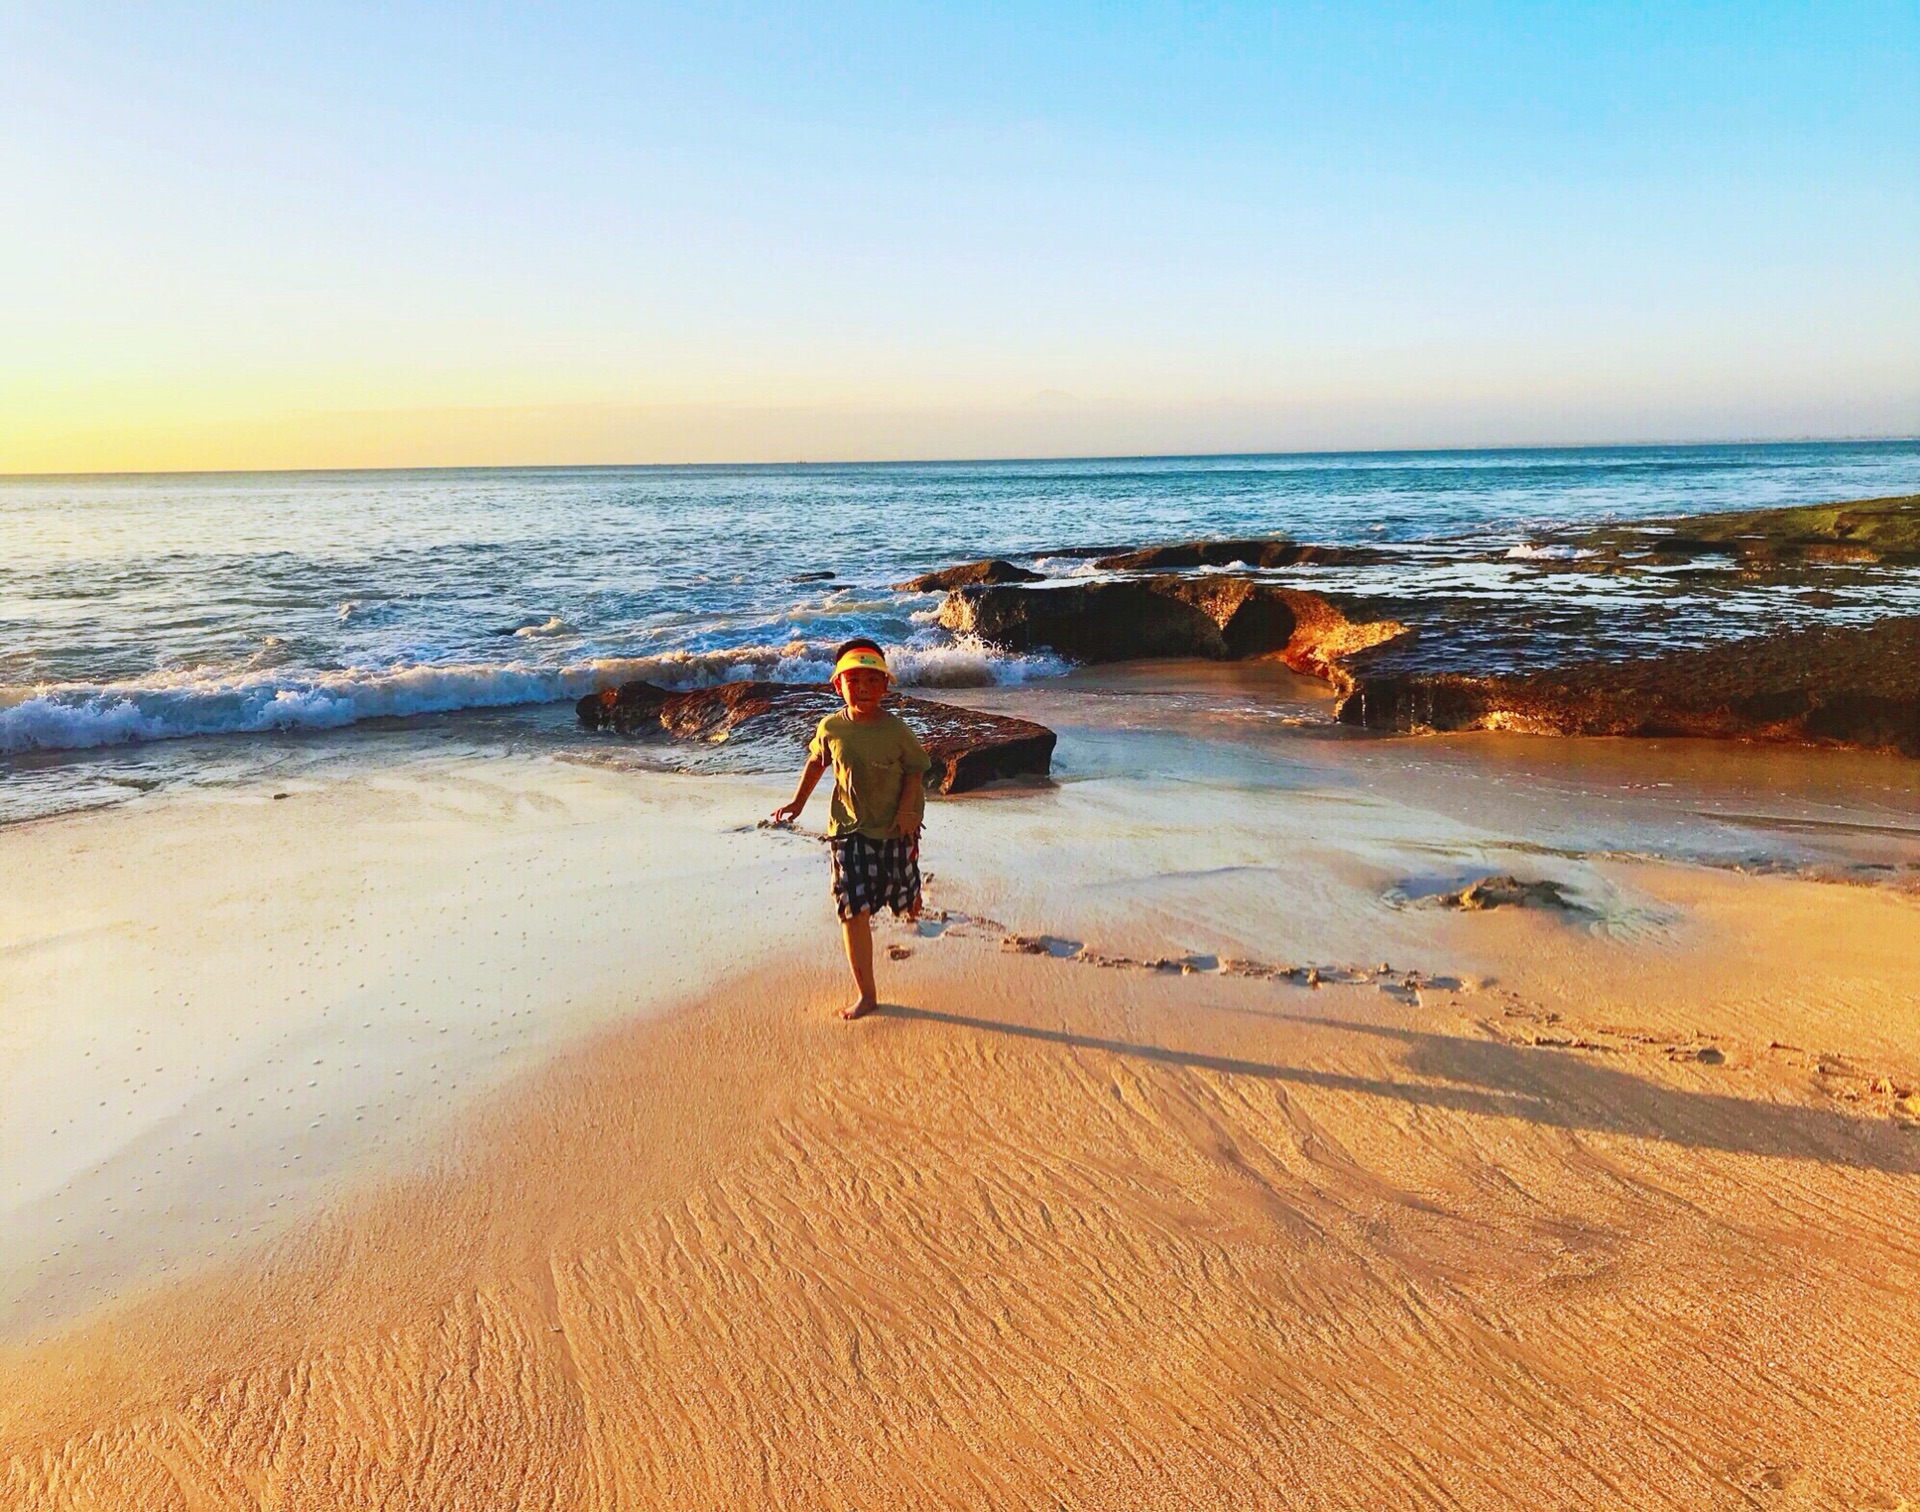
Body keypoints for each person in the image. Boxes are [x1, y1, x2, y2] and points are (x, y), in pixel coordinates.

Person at [770, 638, 931, 1019]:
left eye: (873, 681)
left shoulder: (896, 730)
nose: (863, 688)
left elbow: (916, 769)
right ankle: (867, 993)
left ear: (886, 686)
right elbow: (816, 762)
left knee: (905, 897)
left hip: (895, 827)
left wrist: (909, 810)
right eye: (853, 680)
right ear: (836, 685)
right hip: (848, 831)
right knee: (851, 908)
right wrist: (797, 802)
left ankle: (913, 901)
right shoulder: (831, 727)